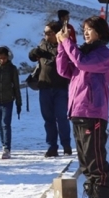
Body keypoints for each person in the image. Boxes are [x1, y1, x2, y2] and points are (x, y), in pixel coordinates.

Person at [56, 16, 109, 198]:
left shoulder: (102, 54)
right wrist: (62, 45)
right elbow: (63, 70)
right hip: (77, 112)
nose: (86, 33)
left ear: (100, 32)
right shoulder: (83, 52)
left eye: (90, 29)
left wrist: (67, 42)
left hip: (93, 113)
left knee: (96, 163)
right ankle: (91, 194)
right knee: (85, 164)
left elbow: (81, 63)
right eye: (84, 30)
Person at [28, 21, 72, 157]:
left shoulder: (64, 45)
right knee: (48, 119)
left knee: (62, 118)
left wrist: (49, 55)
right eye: (45, 33)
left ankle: (66, 145)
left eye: (49, 33)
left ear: (57, 33)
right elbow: (32, 57)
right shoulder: (42, 44)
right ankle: (52, 146)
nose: (46, 35)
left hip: (61, 88)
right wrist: (33, 53)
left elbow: (62, 59)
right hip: (44, 87)